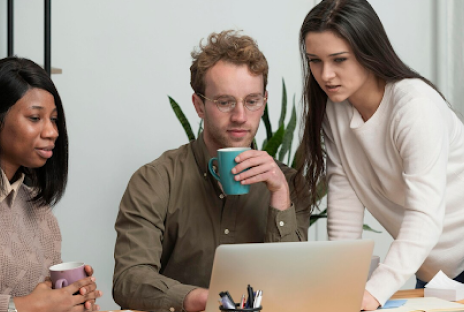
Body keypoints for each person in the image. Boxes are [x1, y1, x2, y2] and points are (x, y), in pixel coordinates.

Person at [113, 30, 312, 312]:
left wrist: (280, 196)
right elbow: (129, 280)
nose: (240, 116)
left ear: (264, 101)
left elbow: (295, 286)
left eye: (252, 101)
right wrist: (200, 300)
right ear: (198, 105)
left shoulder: (289, 184)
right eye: (224, 102)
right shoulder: (155, 180)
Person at [297, 0, 464, 310]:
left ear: (368, 50)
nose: (326, 74)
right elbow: (345, 209)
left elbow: (424, 216)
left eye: (339, 59)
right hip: (434, 276)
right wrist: (341, 286)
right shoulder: (335, 111)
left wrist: (374, 292)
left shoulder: (414, 107)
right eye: (315, 61)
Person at [0, 57, 102, 312]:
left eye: (54, 119)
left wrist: (71, 299)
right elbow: (32, 305)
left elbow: (44, 300)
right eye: (35, 118)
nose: (52, 132)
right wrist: (20, 307)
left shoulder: (38, 209)